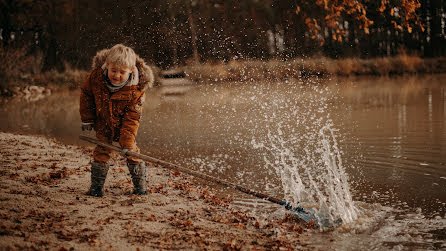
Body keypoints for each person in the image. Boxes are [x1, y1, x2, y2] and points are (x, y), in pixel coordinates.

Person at [79, 44, 154, 197]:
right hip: (104, 122)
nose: (117, 75)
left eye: (122, 72)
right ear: (107, 65)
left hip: (125, 125)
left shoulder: (136, 90)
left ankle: (140, 188)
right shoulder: (96, 78)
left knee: (131, 151)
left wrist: (126, 142)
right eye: (113, 70)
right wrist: (87, 119)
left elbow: (132, 118)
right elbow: (86, 96)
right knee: (101, 151)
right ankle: (96, 189)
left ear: (131, 70)